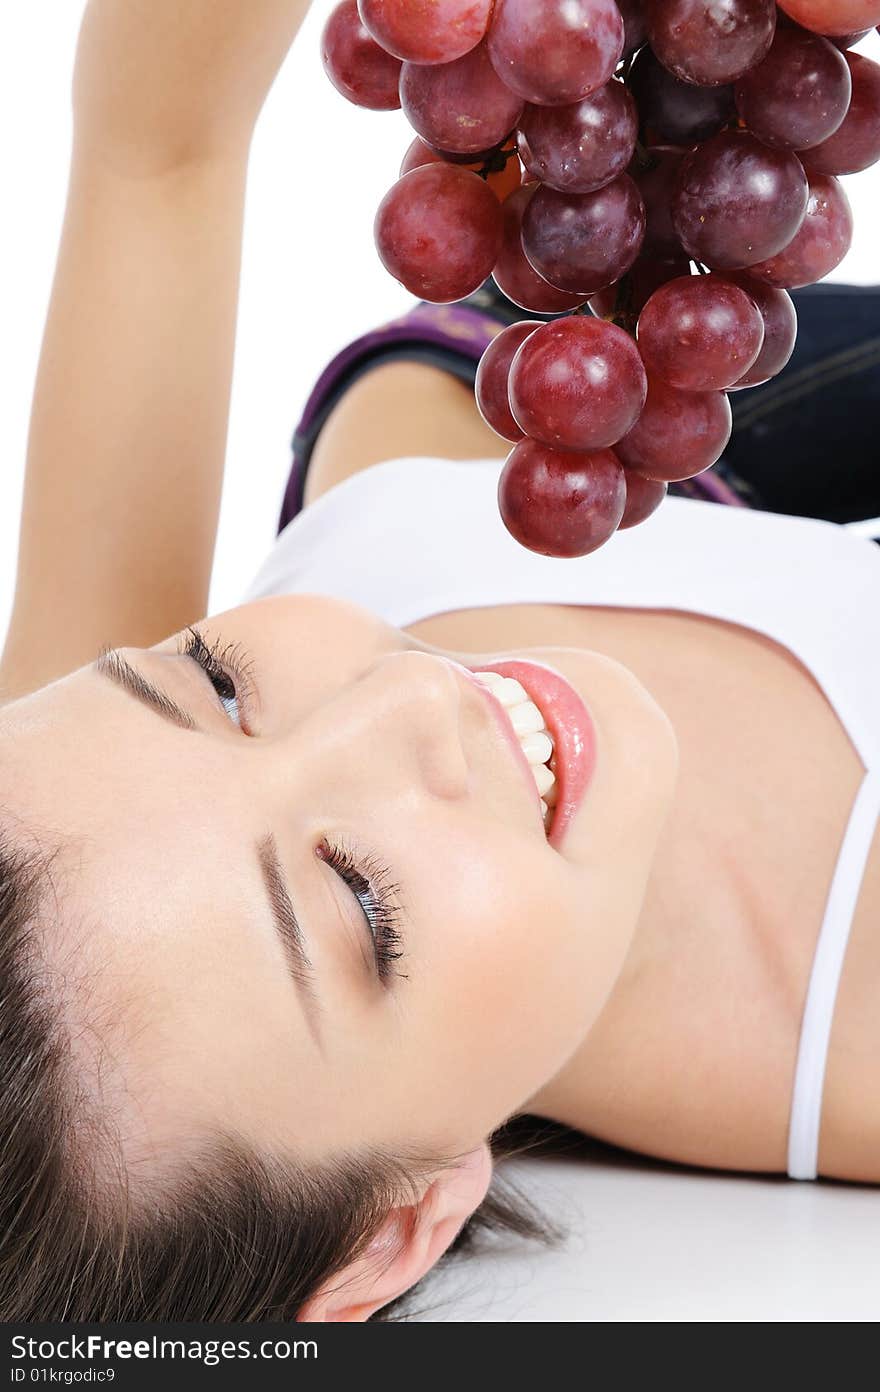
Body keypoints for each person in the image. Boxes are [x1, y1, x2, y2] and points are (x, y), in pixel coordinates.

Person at [1, 0, 878, 1324]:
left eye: (220, 689)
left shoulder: (61, 838)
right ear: (394, 1232)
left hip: (560, 372)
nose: (405, 691)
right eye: (361, 902)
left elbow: (157, 141)